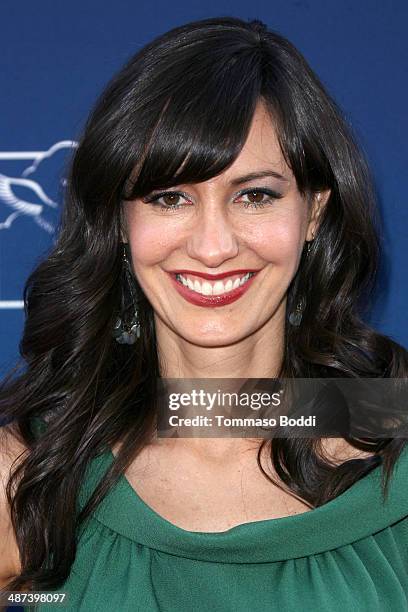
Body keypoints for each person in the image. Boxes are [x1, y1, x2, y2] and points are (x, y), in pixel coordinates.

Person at [1, 15, 407, 611]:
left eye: (255, 195)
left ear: (313, 213)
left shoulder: (393, 440)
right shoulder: (31, 472)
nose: (213, 246)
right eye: (170, 197)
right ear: (119, 220)